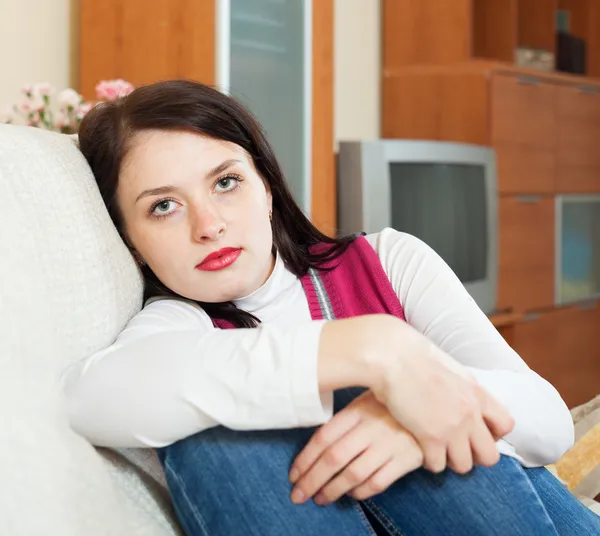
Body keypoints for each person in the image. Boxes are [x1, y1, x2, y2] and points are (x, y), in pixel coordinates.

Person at [62, 79, 600, 536]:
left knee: (402, 400)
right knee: (212, 433)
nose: (209, 225)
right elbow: (88, 398)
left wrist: (407, 417)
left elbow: (549, 422)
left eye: (226, 182)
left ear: (267, 187)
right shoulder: (177, 326)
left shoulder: (388, 259)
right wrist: (365, 350)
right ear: (132, 242)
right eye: (164, 207)